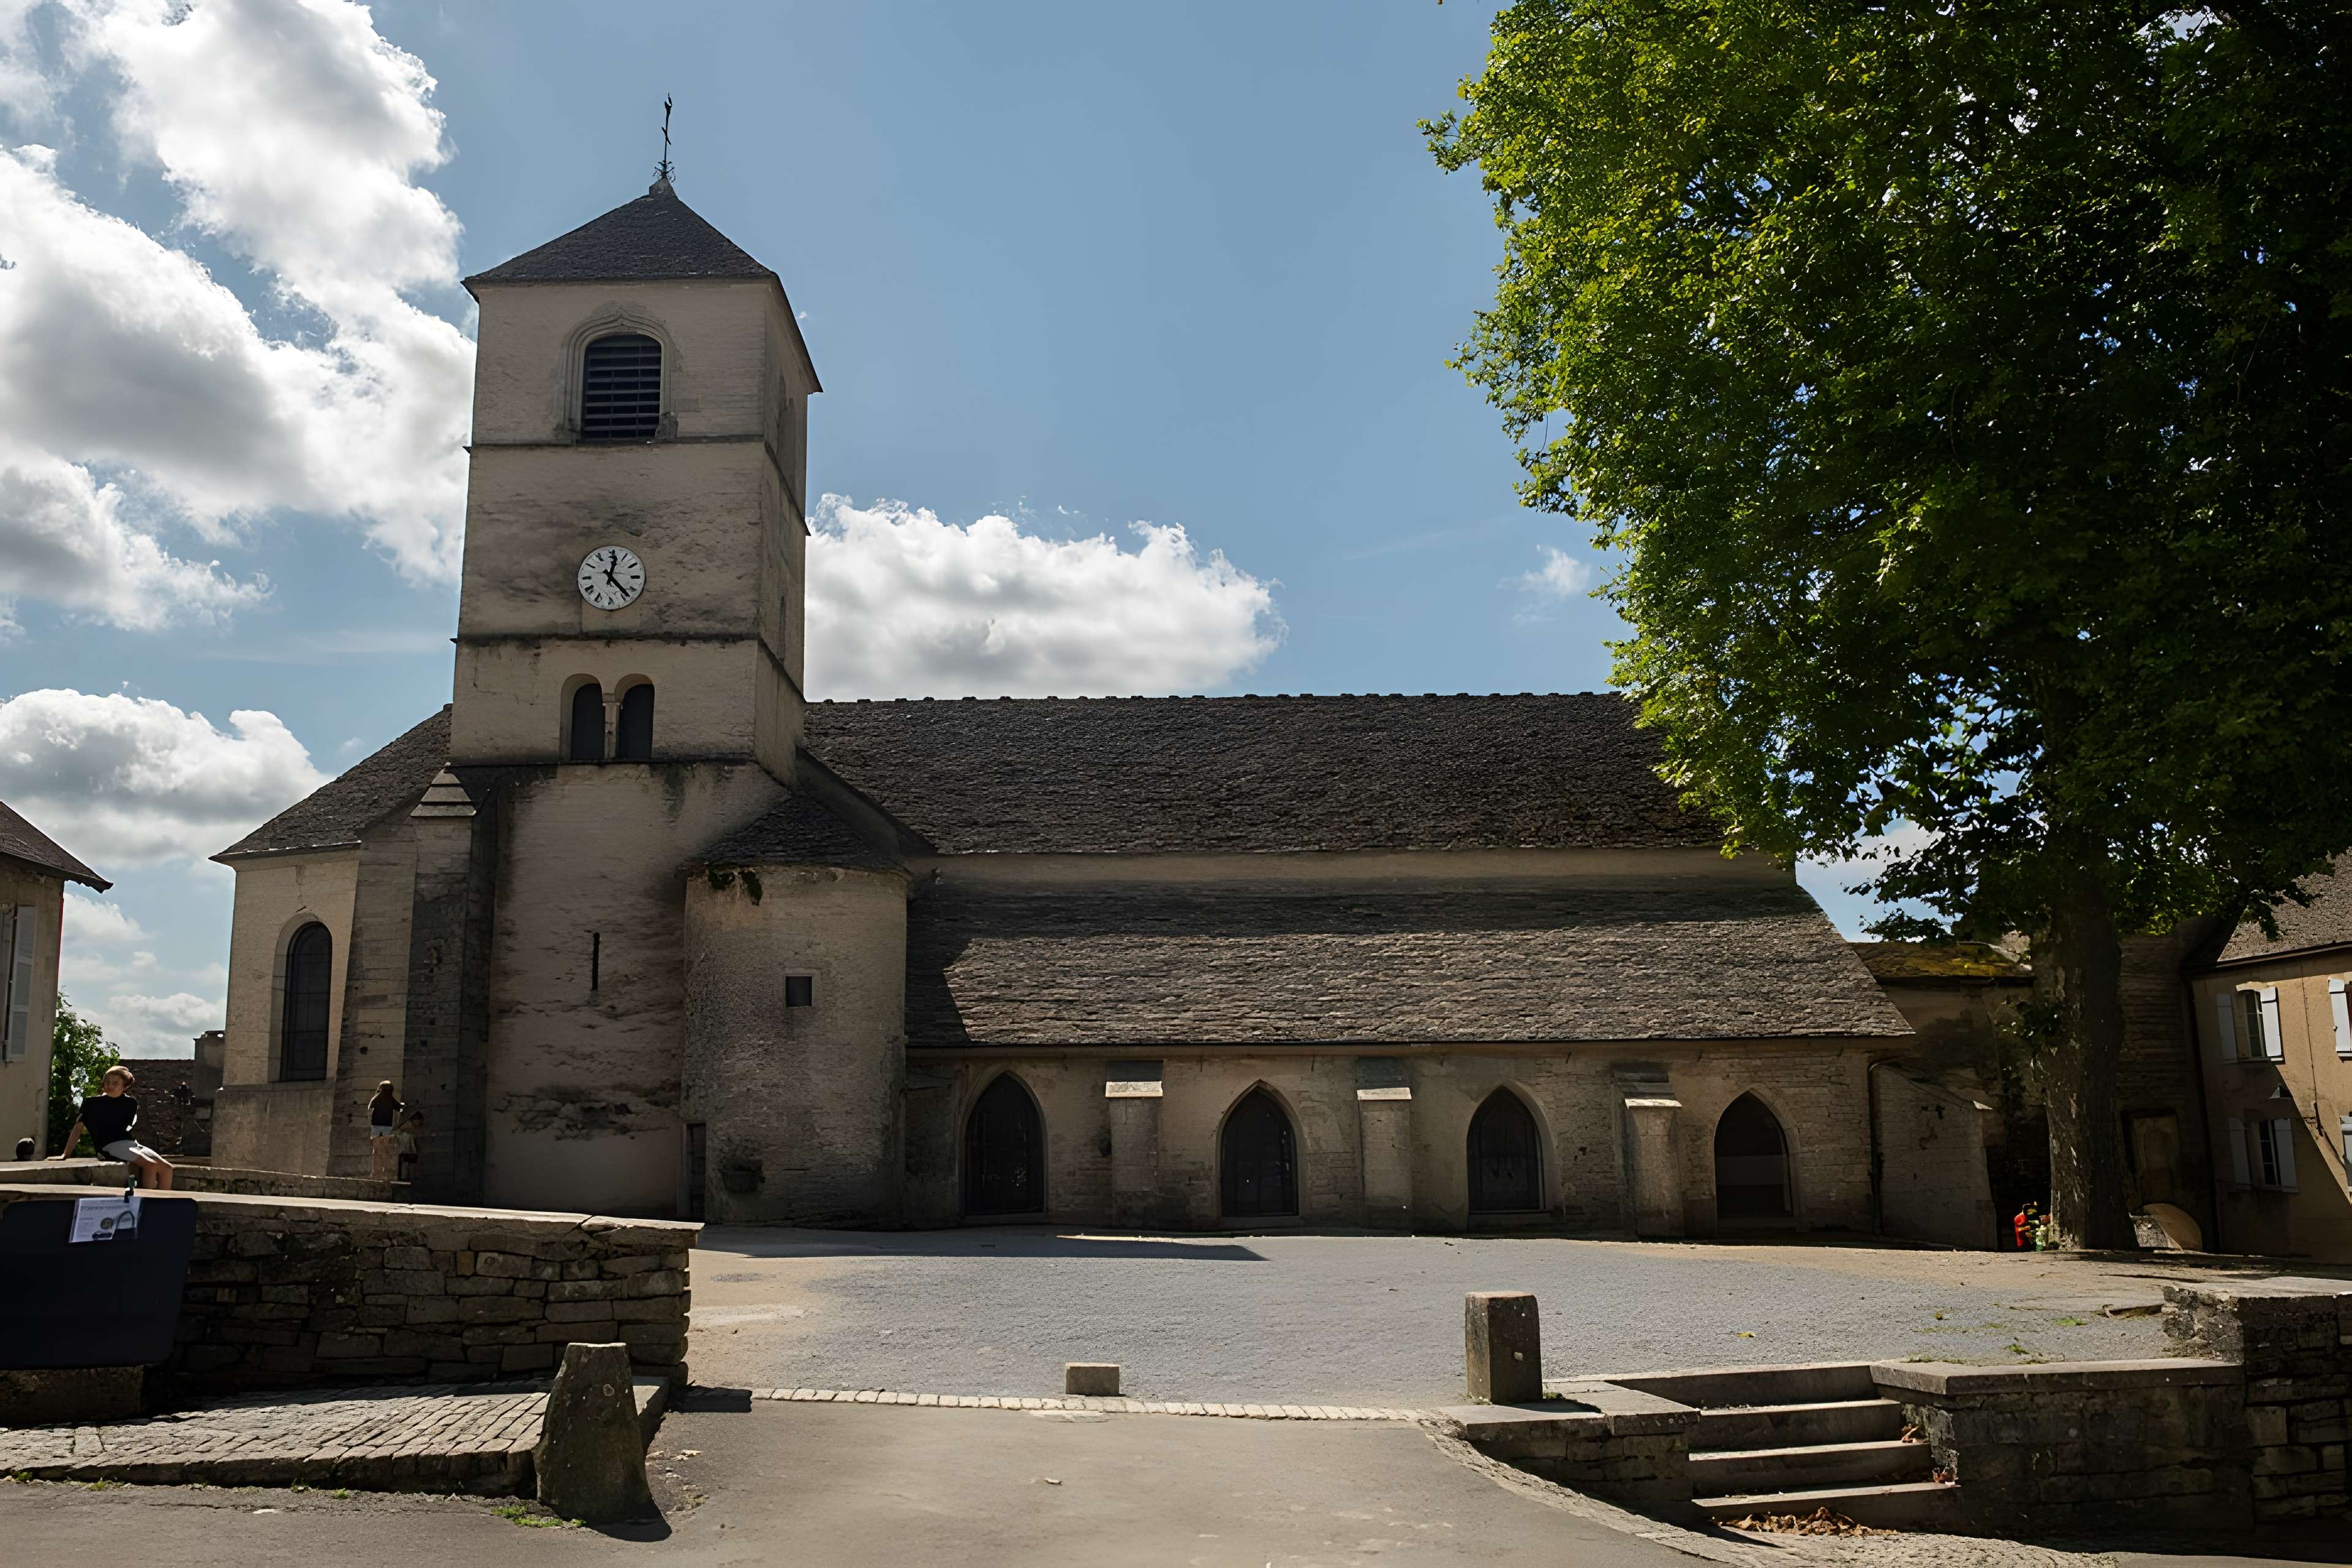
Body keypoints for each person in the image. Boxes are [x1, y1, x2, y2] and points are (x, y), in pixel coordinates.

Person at [52, 1065, 172, 1189]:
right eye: (108, 1082)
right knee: (150, 1166)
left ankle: (164, 1204)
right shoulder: (92, 1103)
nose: (110, 1085)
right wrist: (65, 1155)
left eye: (115, 1083)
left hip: (130, 1144)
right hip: (109, 1146)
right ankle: (149, 1204)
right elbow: (78, 1127)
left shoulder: (131, 1103)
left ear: (125, 1086)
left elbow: (126, 1128)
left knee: (167, 1168)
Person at [368, 1081, 403, 1182]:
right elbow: (399, 1108)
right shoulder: (386, 1098)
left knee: (380, 1151)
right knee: (380, 1150)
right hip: (382, 1127)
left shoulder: (378, 1098)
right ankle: (377, 1173)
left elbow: (370, 1109)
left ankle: (378, 1173)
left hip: (381, 1127)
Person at [396, 1108, 424, 1184]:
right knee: (405, 1168)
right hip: (405, 1153)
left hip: (406, 1153)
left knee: (407, 1168)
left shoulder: (410, 1131)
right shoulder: (407, 1132)